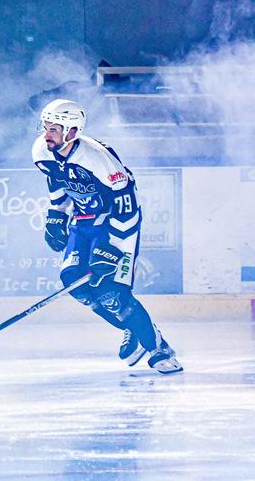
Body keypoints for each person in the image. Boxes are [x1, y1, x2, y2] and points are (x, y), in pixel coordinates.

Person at [32, 99, 183, 373]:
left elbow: (127, 206)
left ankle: (158, 348)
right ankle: (133, 328)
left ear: (72, 131)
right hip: (83, 221)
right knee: (74, 282)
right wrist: (57, 214)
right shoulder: (42, 150)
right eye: (45, 127)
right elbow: (56, 181)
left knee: (110, 290)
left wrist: (113, 247)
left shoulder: (97, 158)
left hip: (117, 223)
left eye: (54, 129)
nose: (47, 135)